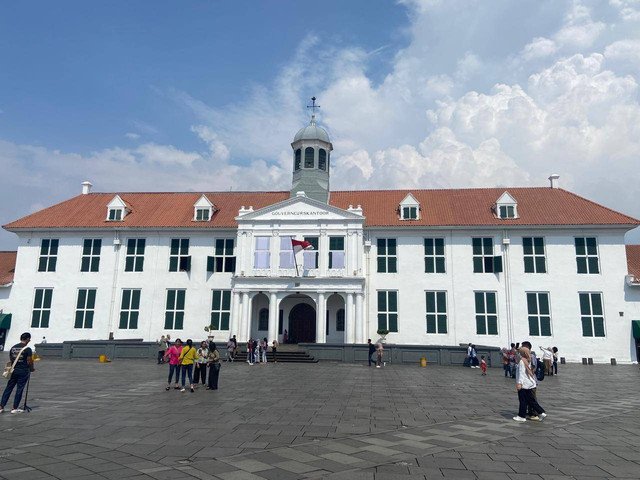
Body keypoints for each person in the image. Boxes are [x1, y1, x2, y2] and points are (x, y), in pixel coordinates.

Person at [0, 332, 34, 414]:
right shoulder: (27, 349)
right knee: (19, 389)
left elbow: (11, 359)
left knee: (8, 388)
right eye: (29, 339)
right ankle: (14, 407)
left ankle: (1, 406)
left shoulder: (13, 348)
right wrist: (32, 369)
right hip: (23, 371)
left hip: (14, 370)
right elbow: (29, 361)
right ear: (27, 339)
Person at [513, 346, 546, 422]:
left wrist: (519, 383)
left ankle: (521, 416)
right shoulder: (528, 360)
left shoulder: (522, 361)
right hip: (530, 383)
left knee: (523, 400)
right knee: (530, 400)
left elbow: (521, 373)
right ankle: (541, 412)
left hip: (524, 384)